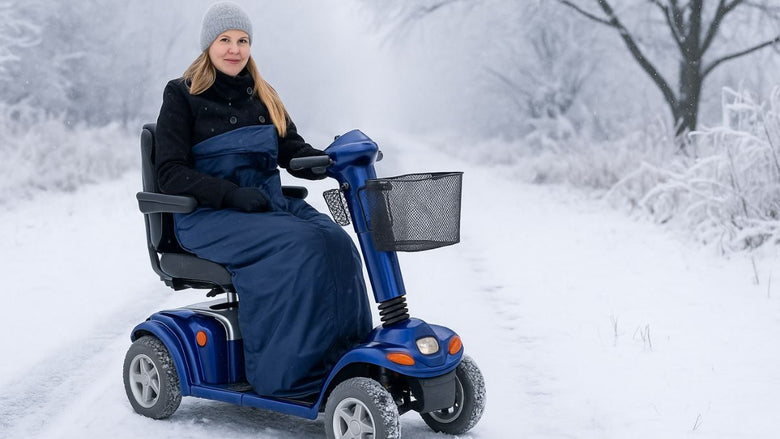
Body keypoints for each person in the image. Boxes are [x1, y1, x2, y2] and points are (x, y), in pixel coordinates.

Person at [154, 1, 372, 399]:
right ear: (208, 45)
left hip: (266, 205)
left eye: (242, 41)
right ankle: (287, 376)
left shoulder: (264, 95)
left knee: (338, 243)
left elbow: (291, 149)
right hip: (208, 216)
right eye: (225, 40)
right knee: (302, 246)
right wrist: (230, 194)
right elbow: (169, 172)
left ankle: (345, 360)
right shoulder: (182, 96)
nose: (234, 49)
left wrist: (325, 161)